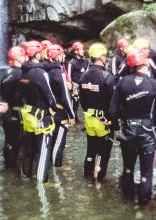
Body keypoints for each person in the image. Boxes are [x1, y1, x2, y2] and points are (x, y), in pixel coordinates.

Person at [110, 47, 156, 207]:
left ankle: (127, 204)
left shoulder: (122, 83)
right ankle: (143, 207)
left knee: (127, 169)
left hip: (128, 130)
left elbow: (112, 110)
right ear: (146, 63)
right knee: (146, 175)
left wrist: (116, 128)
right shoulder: (155, 86)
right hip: (148, 133)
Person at [17, 40, 58, 183]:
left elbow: (18, 96)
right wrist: (54, 109)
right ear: (37, 54)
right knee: (43, 152)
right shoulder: (40, 73)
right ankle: (42, 185)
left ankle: (25, 177)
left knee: (28, 149)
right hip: (41, 117)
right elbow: (49, 95)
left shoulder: (23, 73)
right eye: (40, 52)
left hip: (28, 116)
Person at [78, 42, 117, 182]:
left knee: (91, 149)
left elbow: (81, 100)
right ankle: (98, 180)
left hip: (89, 118)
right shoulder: (107, 77)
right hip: (104, 120)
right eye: (105, 56)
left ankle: (87, 176)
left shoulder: (83, 77)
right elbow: (113, 104)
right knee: (103, 151)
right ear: (101, 57)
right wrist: (115, 125)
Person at [43, 44, 76, 168]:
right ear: (57, 56)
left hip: (48, 110)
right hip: (60, 112)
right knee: (59, 142)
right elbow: (65, 96)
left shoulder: (44, 70)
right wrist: (72, 114)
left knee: (51, 140)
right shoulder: (58, 72)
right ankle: (56, 169)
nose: (64, 57)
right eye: (62, 54)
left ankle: (49, 165)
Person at [0, 46, 26, 170]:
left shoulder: (5, 73)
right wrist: (9, 104)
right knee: (16, 142)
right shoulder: (21, 74)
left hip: (4, 114)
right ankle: (12, 168)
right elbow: (18, 95)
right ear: (18, 58)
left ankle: (7, 167)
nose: (26, 58)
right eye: (23, 56)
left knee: (8, 141)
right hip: (16, 113)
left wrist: (2, 104)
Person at [67, 42, 89, 118]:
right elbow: (68, 75)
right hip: (75, 86)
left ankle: (87, 118)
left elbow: (87, 72)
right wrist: (70, 84)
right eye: (80, 49)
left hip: (84, 85)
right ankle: (73, 117)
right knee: (75, 102)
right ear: (76, 51)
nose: (82, 51)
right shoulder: (71, 63)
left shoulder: (86, 61)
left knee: (86, 103)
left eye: (82, 49)